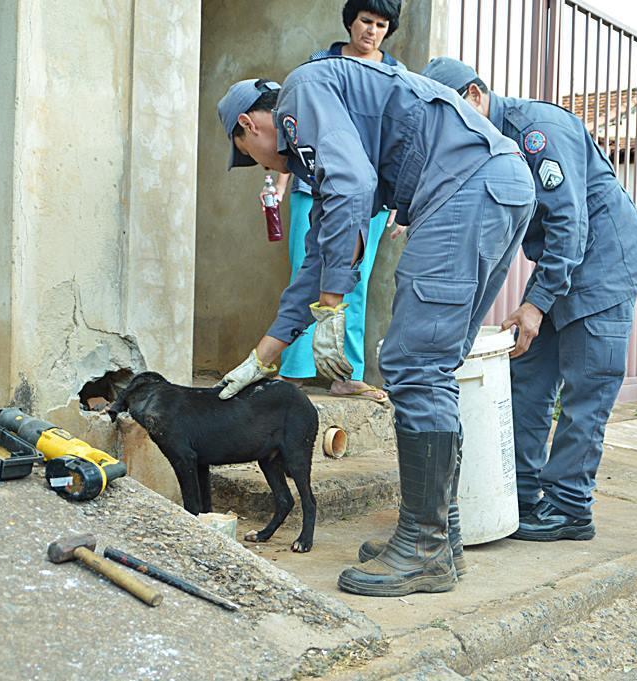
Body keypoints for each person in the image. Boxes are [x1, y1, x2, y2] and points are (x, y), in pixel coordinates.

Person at [215, 56, 535, 597]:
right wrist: (262, 356)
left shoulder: (302, 93)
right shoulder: (327, 127)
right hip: (491, 185)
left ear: (248, 126)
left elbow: (355, 185)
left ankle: (423, 546)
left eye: (250, 156)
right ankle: (440, 537)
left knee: (413, 364)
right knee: (431, 366)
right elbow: (320, 253)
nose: (269, 169)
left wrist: (332, 308)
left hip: (465, 188)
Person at [420, 57, 637, 541]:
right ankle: (522, 493)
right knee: (527, 374)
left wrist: (537, 301)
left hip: (603, 263)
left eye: (453, 116)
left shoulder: (537, 130)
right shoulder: (489, 147)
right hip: (561, 266)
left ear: (475, 95)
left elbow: (571, 222)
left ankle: (570, 509)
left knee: (586, 387)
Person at [272, 0, 405, 404]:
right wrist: (279, 181)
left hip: (370, 196)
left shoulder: (394, 74)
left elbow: (397, 140)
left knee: (355, 280)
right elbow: (292, 127)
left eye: (382, 25)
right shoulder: (318, 64)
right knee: (305, 273)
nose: (372, 31)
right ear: (351, 22)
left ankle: (346, 373)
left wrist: (400, 199)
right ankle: (292, 371)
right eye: (366, 21)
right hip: (311, 186)